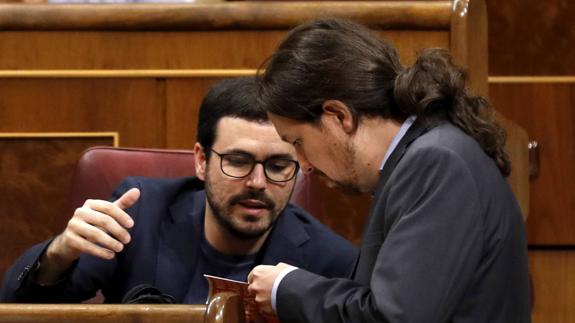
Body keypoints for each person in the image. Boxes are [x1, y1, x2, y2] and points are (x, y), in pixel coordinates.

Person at [247, 18, 531, 322]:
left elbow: (394, 316)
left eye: (298, 142)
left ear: (338, 116)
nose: (303, 164)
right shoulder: (426, 156)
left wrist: (286, 288)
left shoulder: (435, 163)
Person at [0, 77, 357, 304]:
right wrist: (59, 254)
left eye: (278, 166)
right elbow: (20, 308)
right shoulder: (139, 215)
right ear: (201, 160)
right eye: (237, 161)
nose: (257, 183)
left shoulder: (331, 263)